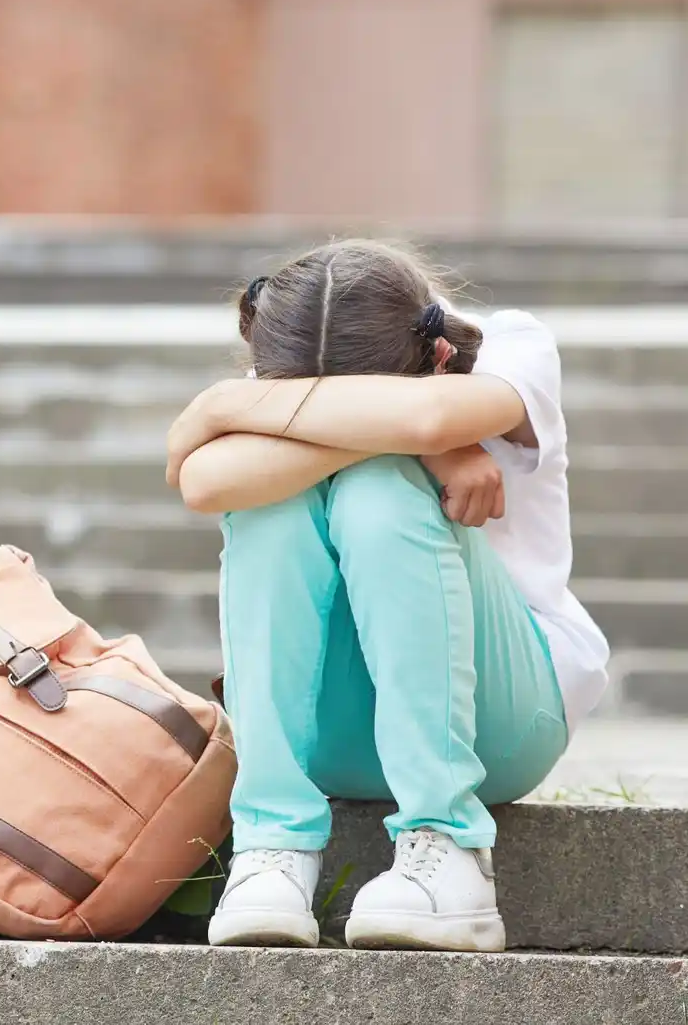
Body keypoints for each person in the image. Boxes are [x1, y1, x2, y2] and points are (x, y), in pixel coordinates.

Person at [168, 240, 609, 953]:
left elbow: (434, 420)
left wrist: (236, 405)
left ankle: (449, 844)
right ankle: (271, 846)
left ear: (437, 357)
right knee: (267, 505)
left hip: (502, 719)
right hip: (339, 734)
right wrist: (417, 438)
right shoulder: (301, 354)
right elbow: (204, 482)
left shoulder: (512, 347)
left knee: (378, 487)